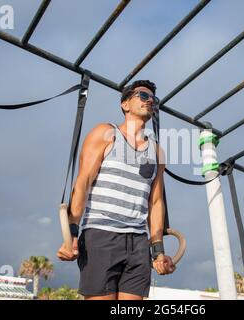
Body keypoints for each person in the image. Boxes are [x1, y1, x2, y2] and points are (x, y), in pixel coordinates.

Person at [57, 80, 175, 300]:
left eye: (153, 99)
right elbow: (83, 182)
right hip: (101, 235)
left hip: (138, 242)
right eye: (142, 95)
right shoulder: (105, 133)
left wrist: (158, 250)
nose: (149, 101)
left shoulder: (157, 152)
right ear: (125, 104)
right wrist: (71, 233)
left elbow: (156, 202)